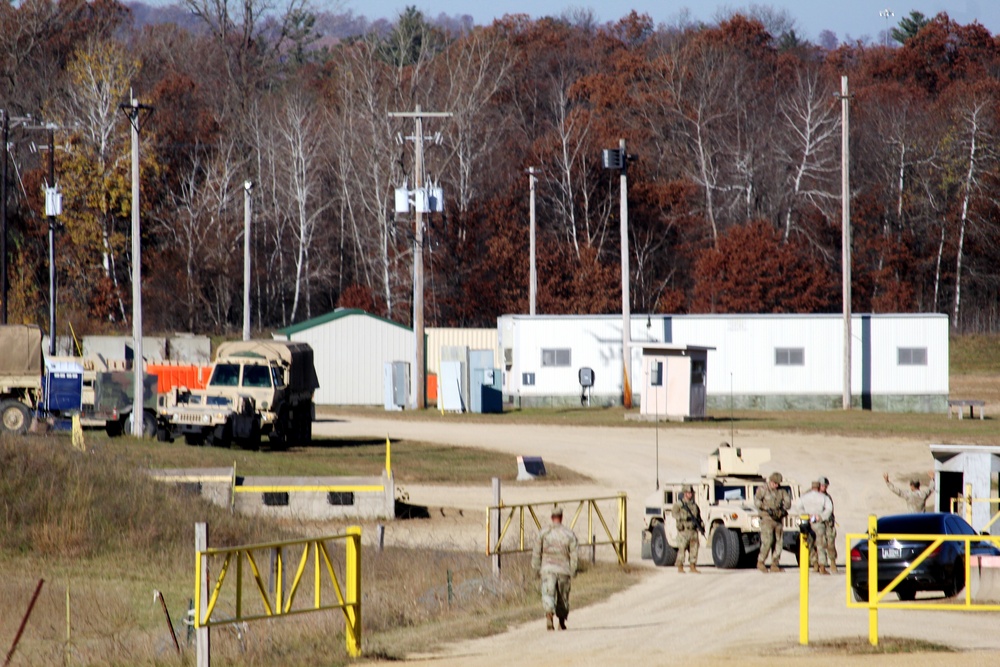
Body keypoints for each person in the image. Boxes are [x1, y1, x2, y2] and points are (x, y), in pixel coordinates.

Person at [531, 505, 579, 631]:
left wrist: (536, 569)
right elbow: (574, 554)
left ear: (552, 517)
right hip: (563, 570)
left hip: (547, 569)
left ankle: (549, 618)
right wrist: (573, 570)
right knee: (563, 596)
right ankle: (561, 622)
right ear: (561, 517)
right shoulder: (569, 534)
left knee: (548, 594)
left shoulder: (543, 533)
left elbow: (536, 552)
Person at [791, 479, 833, 574]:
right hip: (818, 523)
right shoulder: (824, 497)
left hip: (807, 523)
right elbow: (829, 509)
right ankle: (822, 566)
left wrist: (805, 515)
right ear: (818, 487)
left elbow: (798, 507)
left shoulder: (804, 497)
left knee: (809, 544)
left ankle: (814, 563)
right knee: (820, 544)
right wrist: (821, 516)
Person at [755, 471, 791, 573]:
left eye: (778, 484)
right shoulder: (763, 489)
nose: (776, 485)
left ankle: (775, 564)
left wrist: (784, 509)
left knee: (779, 543)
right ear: (770, 481)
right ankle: (761, 562)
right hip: (767, 519)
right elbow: (757, 501)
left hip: (778, 520)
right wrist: (766, 508)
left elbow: (788, 502)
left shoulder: (782, 491)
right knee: (767, 541)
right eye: (774, 483)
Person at [671, 484, 703, 573]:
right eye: (688, 493)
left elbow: (698, 517)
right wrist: (684, 516)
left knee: (694, 549)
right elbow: (674, 514)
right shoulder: (679, 504)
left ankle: (692, 566)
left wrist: (701, 525)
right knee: (682, 549)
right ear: (685, 493)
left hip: (693, 531)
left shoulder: (694, 505)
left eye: (691, 493)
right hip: (683, 531)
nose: (690, 494)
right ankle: (680, 567)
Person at [817, 476, 838, 574]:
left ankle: (832, 562)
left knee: (831, 544)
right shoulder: (814, 496)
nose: (824, 487)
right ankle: (820, 565)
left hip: (828, 524)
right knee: (820, 544)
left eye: (825, 486)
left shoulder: (828, 497)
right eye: (822, 486)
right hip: (818, 523)